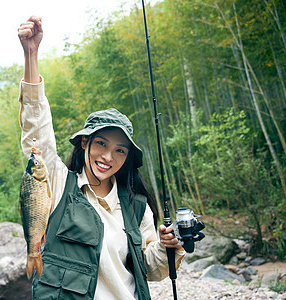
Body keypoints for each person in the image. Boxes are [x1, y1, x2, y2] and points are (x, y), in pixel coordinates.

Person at [17, 16, 185, 300]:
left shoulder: (136, 207)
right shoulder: (56, 184)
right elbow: (36, 128)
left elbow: (151, 270)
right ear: (85, 142)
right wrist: (31, 54)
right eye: (102, 144)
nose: (108, 156)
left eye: (120, 150)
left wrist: (169, 247)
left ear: (128, 157)